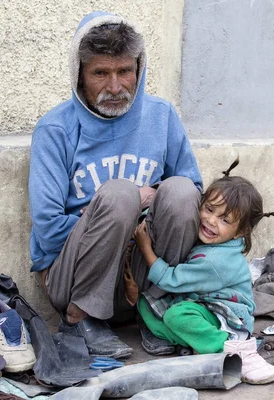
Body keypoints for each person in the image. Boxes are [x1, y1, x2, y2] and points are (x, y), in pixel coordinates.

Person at [28, 11, 202, 359]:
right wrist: (118, 210)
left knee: (182, 191)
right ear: (79, 75)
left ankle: (156, 313)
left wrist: (152, 207)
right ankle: (81, 319)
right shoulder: (56, 129)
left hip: (141, 274)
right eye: (100, 73)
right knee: (121, 193)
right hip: (74, 279)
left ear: (139, 69)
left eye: (124, 71)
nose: (115, 86)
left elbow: (194, 193)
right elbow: (47, 230)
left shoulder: (161, 116)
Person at [133, 158, 274, 385]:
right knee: (146, 305)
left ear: (239, 231)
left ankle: (233, 351)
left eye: (224, 220)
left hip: (227, 318)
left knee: (176, 315)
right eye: (209, 209)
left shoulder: (215, 260)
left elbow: (172, 281)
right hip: (204, 305)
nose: (211, 221)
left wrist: (145, 248)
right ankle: (196, 343)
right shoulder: (214, 241)